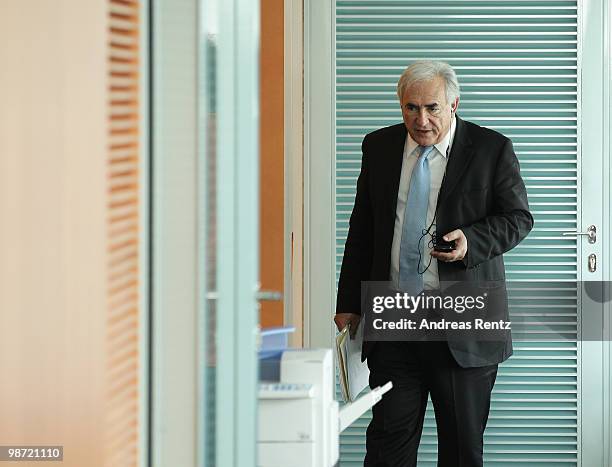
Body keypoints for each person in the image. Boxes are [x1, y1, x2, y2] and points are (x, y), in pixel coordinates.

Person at [334, 60, 534, 467]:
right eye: (411, 108)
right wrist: (349, 302)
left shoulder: (492, 148)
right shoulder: (378, 146)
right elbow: (364, 227)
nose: (421, 120)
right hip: (396, 318)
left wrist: (471, 242)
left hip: (464, 323)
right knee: (388, 447)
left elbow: (518, 219)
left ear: (454, 103)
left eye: (432, 108)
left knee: (461, 450)